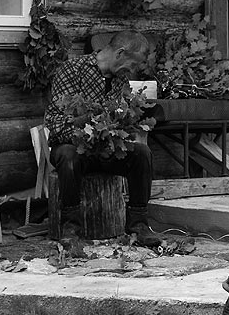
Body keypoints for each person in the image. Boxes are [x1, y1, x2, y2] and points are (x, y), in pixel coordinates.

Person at [44, 29, 155, 242]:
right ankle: (71, 228)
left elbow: (120, 119)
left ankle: (139, 226)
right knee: (68, 156)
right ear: (120, 53)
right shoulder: (72, 69)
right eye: (132, 64)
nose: (132, 71)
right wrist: (90, 130)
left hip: (106, 150)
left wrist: (122, 129)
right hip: (74, 147)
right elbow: (55, 123)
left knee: (142, 153)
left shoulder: (120, 81)